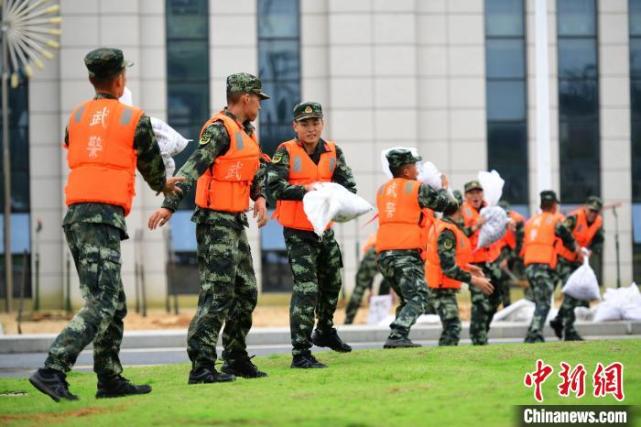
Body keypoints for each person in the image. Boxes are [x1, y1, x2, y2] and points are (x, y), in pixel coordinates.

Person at [29, 48, 183, 401]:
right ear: (120, 79)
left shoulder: (76, 116)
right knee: (101, 302)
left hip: (77, 215)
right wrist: (165, 185)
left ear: (90, 80)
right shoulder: (133, 118)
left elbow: (75, 145)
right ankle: (53, 368)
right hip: (102, 216)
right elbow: (150, 163)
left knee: (114, 301)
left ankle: (109, 378)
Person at [148, 72, 270, 383]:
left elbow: (251, 170)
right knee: (217, 295)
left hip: (235, 221)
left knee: (246, 292)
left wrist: (259, 196)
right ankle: (201, 366)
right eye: (257, 98)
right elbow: (192, 166)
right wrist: (169, 204)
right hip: (214, 222)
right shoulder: (218, 130)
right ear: (245, 98)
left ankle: (235, 357)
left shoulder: (248, 130)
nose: (259, 104)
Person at [267, 102, 355, 369]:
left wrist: (335, 196)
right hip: (298, 231)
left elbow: (348, 184)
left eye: (315, 122)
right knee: (307, 289)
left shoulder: (332, 150)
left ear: (322, 124)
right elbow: (275, 187)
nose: (311, 128)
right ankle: (300, 352)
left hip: (324, 229)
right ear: (295, 126)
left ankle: (325, 330)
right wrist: (307, 191)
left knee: (333, 282)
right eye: (305, 123)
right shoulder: (285, 151)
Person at [375, 149, 453, 348]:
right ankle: (397, 334)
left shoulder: (383, 190)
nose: (418, 171)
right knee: (419, 296)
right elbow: (446, 205)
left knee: (406, 297)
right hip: (405, 251)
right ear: (406, 170)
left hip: (384, 254)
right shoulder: (416, 187)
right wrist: (444, 187)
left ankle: (399, 337)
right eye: (414, 167)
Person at [426, 190, 494, 346]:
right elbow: (448, 267)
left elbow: (448, 259)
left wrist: (469, 268)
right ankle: (442, 366)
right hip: (441, 287)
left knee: (452, 328)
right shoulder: (447, 232)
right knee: (452, 328)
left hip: (444, 286)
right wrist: (475, 280)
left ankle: (443, 365)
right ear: (459, 208)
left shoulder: (448, 227)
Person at [522, 191, 582, 343]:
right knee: (544, 303)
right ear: (554, 205)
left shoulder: (531, 220)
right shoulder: (557, 219)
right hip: (544, 264)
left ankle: (532, 333)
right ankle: (535, 334)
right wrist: (576, 249)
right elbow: (565, 234)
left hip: (530, 264)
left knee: (540, 301)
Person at [550, 196, 604, 341]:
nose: (593, 214)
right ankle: (569, 330)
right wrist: (575, 247)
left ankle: (558, 321)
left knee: (576, 295)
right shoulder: (574, 217)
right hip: (564, 259)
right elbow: (559, 229)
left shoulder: (598, 222)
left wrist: (591, 250)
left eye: (596, 212)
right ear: (586, 208)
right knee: (571, 293)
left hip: (579, 263)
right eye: (591, 210)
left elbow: (599, 240)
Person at [461, 181, 504, 345]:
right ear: (466, 196)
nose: (475, 196)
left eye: (478, 192)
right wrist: (475, 226)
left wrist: (508, 222)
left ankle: (482, 331)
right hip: (475, 264)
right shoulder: (462, 211)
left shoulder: (490, 208)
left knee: (495, 299)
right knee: (479, 301)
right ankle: (478, 338)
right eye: (471, 193)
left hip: (492, 261)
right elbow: (459, 234)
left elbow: (501, 221)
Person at [344, 232, 391, 325]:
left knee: (359, 289)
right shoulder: (393, 233)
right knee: (387, 283)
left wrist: (369, 289)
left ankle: (348, 320)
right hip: (388, 252)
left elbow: (365, 275)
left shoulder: (377, 234)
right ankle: (381, 317)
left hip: (372, 252)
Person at [495, 200, 526, 308]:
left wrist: (507, 260)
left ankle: (530, 306)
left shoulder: (518, 220)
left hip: (521, 254)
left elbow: (520, 245)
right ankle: (507, 308)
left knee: (525, 281)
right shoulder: (496, 221)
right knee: (503, 281)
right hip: (507, 251)